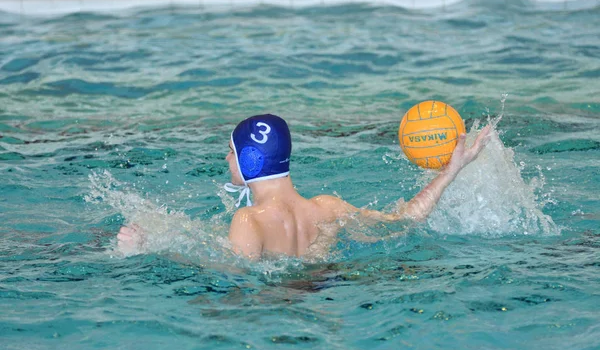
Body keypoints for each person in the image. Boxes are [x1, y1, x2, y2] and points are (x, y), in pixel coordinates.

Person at [118, 114, 491, 260]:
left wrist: (151, 248)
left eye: (230, 152)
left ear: (250, 159)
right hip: (326, 287)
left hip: (277, 304)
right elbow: (402, 221)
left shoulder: (248, 220)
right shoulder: (327, 207)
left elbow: (233, 274)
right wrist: (450, 171)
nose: (226, 160)